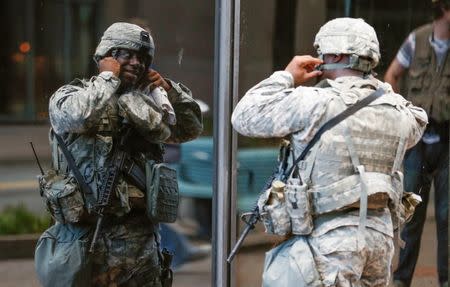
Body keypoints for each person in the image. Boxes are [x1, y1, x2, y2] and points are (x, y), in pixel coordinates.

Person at [231, 18, 427, 286]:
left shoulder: (314, 102)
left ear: (335, 54)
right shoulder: (396, 110)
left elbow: (244, 116)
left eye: (322, 53)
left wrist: (287, 75)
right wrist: (376, 86)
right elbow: (418, 121)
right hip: (379, 243)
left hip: (329, 243)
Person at [36, 22, 202, 286]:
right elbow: (80, 116)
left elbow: (189, 128)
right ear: (105, 56)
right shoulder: (70, 96)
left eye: (143, 58)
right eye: (126, 54)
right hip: (88, 241)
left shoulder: (149, 105)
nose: (136, 63)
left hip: (140, 244)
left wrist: (169, 91)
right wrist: (107, 78)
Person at [384, 1, 449, 286]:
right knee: (409, 214)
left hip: (448, 143)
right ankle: (401, 280)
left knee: (448, 219)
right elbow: (391, 75)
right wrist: (402, 116)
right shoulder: (416, 40)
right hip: (418, 143)